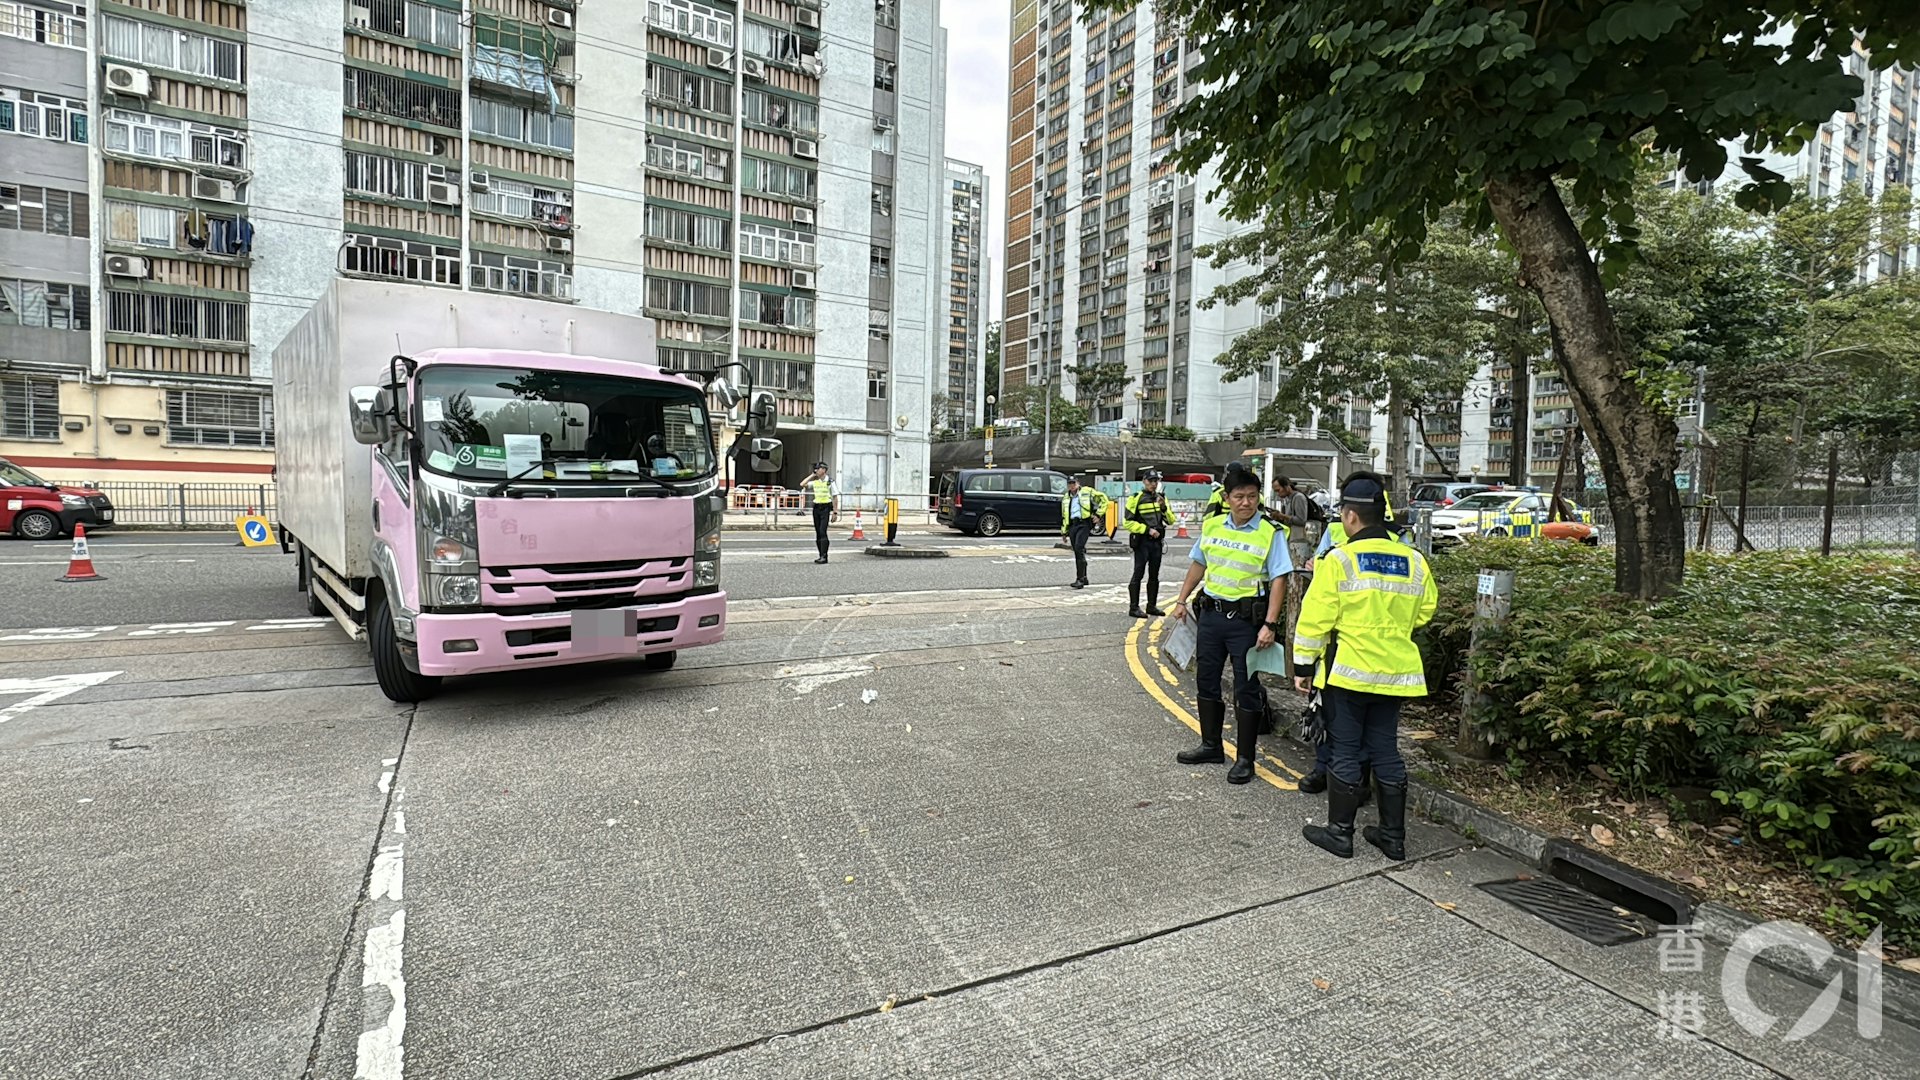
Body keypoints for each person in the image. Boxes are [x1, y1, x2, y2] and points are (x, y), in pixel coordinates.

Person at [1292, 471, 1438, 860]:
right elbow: (1425, 612)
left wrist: (1303, 667)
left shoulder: (1340, 560)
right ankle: (1392, 838)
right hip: (1395, 675)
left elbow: (1314, 619)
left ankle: (1340, 834)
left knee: (1344, 749)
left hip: (1348, 673)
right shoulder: (1414, 560)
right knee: (1385, 750)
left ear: (1351, 516)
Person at [1168, 465, 1294, 785]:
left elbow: (1280, 579)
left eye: (1252, 496)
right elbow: (1199, 564)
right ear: (1227, 498)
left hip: (1246, 623)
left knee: (1246, 688)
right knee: (1206, 681)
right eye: (1239, 496)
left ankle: (1245, 759)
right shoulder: (1212, 527)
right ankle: (1211, 745)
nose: (1246, 503)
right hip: (1211, 617)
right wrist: (1182, 600)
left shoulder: (1270, 532)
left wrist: (1270, 624)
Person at [1124, 471, 1173, 618]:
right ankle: (1134, 608)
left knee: (1154, 575)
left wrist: (1163, 507)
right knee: (1138, 574)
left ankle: (1151, 606)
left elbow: (1171, 520)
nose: (1153, 484)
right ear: (1144, 481)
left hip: (1157, 542)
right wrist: (1147, 530)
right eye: (1151, 481)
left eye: (1156, 481)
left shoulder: (1161, 498)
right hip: (1142, 542)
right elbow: (1127, 522)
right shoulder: (1136, 498)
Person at [1060, 476, 1107, 589]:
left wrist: (1098, 515)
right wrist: (1064, 532)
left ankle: (1080, 579)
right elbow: (1064, 515)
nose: (1072, 485)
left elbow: (1104, 499)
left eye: (1073, 483)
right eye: (1069, 483)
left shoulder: (1087, 491)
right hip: (1073, 525)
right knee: (1077, 551)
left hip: (1084, 523)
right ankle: (1084, 577)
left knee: (1079, 547)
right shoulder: (1066, 497)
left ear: (1078, 483)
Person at [804, 462, 837, 564]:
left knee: (823, 531)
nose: (816, 471)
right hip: (816, 508)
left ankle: (824, 556)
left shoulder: (830, 482)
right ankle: (820, 555)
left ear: (823, 470)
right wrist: (812, 475)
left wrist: (835, 512)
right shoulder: (816, 482)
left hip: (825, 508)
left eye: (818, 469)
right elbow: (803, 484)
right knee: (818, 532)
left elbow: (835, 497)